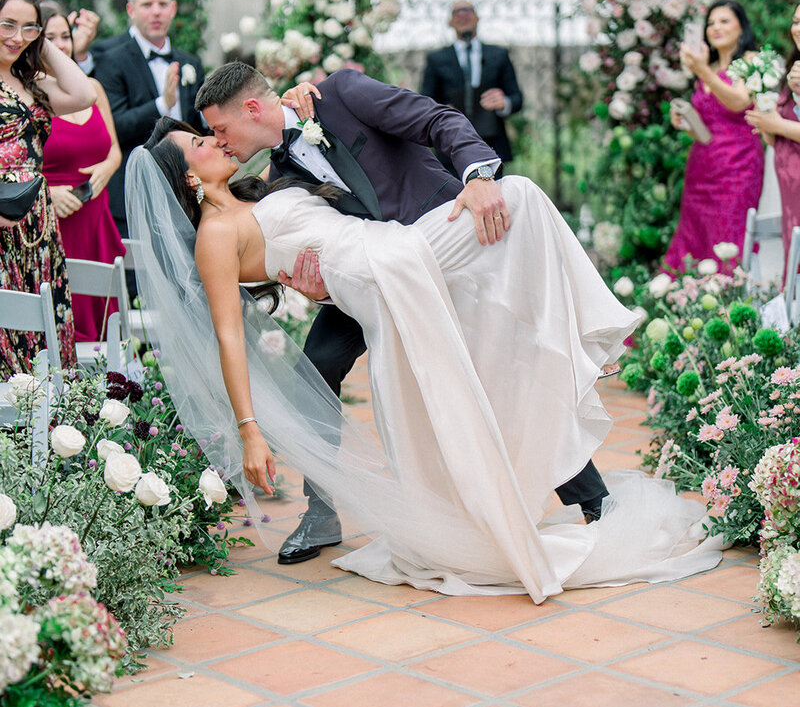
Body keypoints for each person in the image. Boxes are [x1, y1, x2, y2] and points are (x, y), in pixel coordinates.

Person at [126, 121, 721, 603]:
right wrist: (251, 430)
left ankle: (576, 348)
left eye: (209, 132)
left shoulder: (256, 188)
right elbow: (230, 336)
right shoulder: (214, 235)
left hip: (391, 254)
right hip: (384, 274)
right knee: (517, 204)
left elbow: (309, 217)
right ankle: (590, 342)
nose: (213, 141)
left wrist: (298, 113)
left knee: (514, 214)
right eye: (199, 144)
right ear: (189, 180)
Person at [194, 62, 611, 565]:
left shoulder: (340, 94)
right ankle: (320, 512)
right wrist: (316, 288)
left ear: (253, 108)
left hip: (443, 243)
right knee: (314, 369)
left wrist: (477, 176)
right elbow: (315, 240)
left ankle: (592, 497)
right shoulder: (278, 175)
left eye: (220, 129)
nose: (220, 143)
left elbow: (437, 119)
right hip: (369, 276)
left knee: (492, 369)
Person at [0, 0, 95, 374]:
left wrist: (40, 45)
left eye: (28, 26)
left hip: (38, 223)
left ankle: (47, 428)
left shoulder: (31, 82)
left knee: (42, 325)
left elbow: (83, 93)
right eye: (7, 24)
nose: (16, 36)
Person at [92, 0, 204, 240]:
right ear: (130, 9)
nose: (156, 12)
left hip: (185, 193)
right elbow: (114, 127)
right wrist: (161, 104)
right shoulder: (111, 60)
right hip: (133, 193)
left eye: (163, 4)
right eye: (147, 5)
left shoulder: (191, 62)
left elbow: (199, 126)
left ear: (173, 8)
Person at [40, 3, 125, 342]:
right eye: (50, 37)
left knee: (108, 329)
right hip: (55, 224)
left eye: (65, 35)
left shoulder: (92, 88)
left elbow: (115, 148)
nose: (61, 44)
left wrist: (108, 165)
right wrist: (46, 193)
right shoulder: (29, 97)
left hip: (96, 221)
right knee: (61, 330)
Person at [664, 0, 764, 273]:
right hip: (702, 164)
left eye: (724, 21)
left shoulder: (749, 61)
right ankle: (691, 299)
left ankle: (729, 298)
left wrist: (702, 71)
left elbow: (739, 102)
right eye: (710, 23)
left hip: (738, 165)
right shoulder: (706, 70)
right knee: (696, 232)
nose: (715, 27)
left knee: (729, 229)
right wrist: (684, 120)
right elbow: (707, 121)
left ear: (741, 28)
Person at [421, 0, 523, 168]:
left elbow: (517, 98)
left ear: (477, 18)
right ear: (450, 21)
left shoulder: (499, 55)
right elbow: (426, 100)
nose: (462, 15)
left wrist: (504, 103)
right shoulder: (436, 59)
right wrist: (443, 111)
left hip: (491, 145)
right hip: (451, 147)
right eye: (457, 12)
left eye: (467, 10)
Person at [745, 2, 800, 278]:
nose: (798, 29)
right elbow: (775, 140)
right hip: (790, 185)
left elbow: (784, 126)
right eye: (796, 21)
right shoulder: (793, 70)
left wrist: (778, 124)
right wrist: (763, 114)